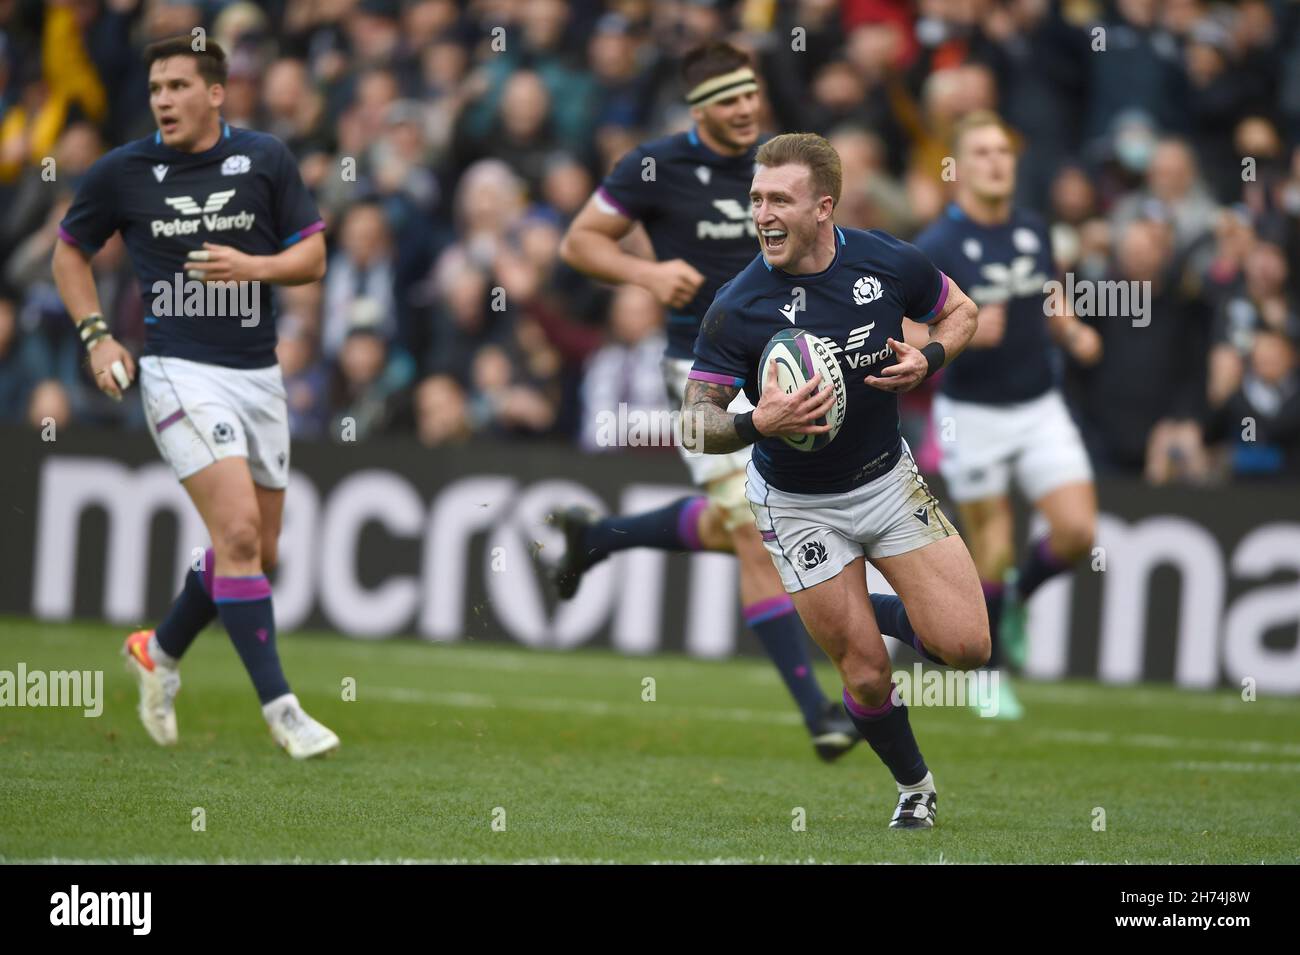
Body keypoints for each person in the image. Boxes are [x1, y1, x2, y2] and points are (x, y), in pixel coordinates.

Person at [550, 42, 860, 761]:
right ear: (698, 110)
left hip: (794, 362)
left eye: (751, 94)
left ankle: (597, 538)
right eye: (729, 100)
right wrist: (647, 274)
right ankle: (819, 712)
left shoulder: (779, 167)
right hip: (702, 370)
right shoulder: (654, 167)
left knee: (739, 524)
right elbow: (578, 242)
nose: (747, 108)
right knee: (754, 532)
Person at [684, 132, 986, 828]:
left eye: (778, 199)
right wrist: (759, 420)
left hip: (887, 480)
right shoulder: (739, 305)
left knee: (967, 648)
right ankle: (915, 787)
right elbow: (694, 423)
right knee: (867, 671)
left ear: (824, 207)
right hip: (796, 504)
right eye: (755, 198)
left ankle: (864, 606)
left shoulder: (887, 262)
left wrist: (930, 356)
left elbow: (963, 310)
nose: (762, 213)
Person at [51, 37, 337, 758]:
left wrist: (254, 266)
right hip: (178, 370)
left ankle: (160, 649)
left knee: (256, 549)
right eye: (155, 88)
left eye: (179, 85)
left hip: (258, 375)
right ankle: (283, 711)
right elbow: (68, 250)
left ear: (217, 93)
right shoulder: (124, 170)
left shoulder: (266, 157)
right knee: (238, 535)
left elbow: (313, 257)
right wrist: (96, 338)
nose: (163, 100)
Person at [913, 112, 1102, 718]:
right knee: (992, 542)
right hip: (972, 412)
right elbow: (907, 327)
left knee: (1077, 531)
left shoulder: (1031, 228)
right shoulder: (937, 245)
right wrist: (962, 330)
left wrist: (1070, 330)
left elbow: (1048, 292)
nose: (997, 161)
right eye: (983, 152)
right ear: (959, 167)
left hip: (1039, 401)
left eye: (1004, 151)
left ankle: (1019, 598)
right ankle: (988, 674)